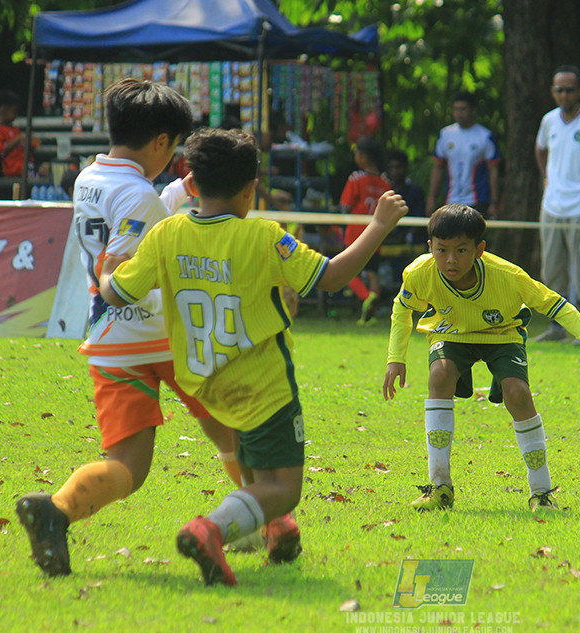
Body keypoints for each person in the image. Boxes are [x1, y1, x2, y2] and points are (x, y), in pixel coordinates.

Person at [100, 128, 409, 585]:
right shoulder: (264, 237)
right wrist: (379, 226)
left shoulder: (167, 234)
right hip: (264, 387)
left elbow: (118, 293)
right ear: (251, 189)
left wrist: (106, 273)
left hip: (207, 382)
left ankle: (275, 533)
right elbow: (329, 277)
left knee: (255, 470)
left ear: (192, 183)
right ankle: (211, 529)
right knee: (283, 488)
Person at [13, 80, 288, 579]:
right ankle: (266, 521)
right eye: (174, 145)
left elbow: (139, 214)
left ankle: (56, 510)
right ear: (161, 141)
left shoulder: (88, 178)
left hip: (111, 343)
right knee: (229, 427)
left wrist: (179, 189)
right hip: (167, 336)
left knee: (127, 466)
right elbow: (128, 249)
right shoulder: (139, 196)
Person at [383, 204, 580, 513]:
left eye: (461, 250)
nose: (450, 259)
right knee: (439, 374)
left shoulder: (508, 275)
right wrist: (395, 358)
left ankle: (542, 493)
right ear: (430, 247)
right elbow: (402, 309)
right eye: (441, 250)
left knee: (518, 393)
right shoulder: (419, 273)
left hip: (503, 334)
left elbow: (556, 304)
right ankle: (439, 487)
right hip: (452, 333)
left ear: (479, 250)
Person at [533, 65, 580, 342]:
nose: (564, 95)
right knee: (552, 268)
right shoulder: (549, 120)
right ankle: (557, 327)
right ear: (553, 92)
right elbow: (540, 149)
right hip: (552, 205)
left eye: (569, 89)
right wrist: (546, 177)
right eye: (559, 90)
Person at [340, 135, 392, 324]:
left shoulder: (356, 178)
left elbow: (345, 206)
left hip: (356, 233)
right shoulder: (385, 182)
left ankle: (366, 298)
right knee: (372, 273)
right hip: (376, 233)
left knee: (346, 272)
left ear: (363, 156)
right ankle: (371, 315)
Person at [427, 91, 501, 218]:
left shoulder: (485, 136)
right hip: (451, 200)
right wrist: (432, 197)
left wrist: (494, 202)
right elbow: (438, 167)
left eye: (463, 109)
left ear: (473, 111)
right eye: (456, 109)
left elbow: (493, 170)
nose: (459, 113)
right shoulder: (445, 134)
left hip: (477, 200)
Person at [0, 90, 38, 177]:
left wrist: (31, 143)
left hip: (27, 165)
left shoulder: (15, 129)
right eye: (14, 111)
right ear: (4, 110)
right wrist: (18, 138)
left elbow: (26, 148)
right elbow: (1, 150)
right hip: (13, 169)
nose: (16, 116)